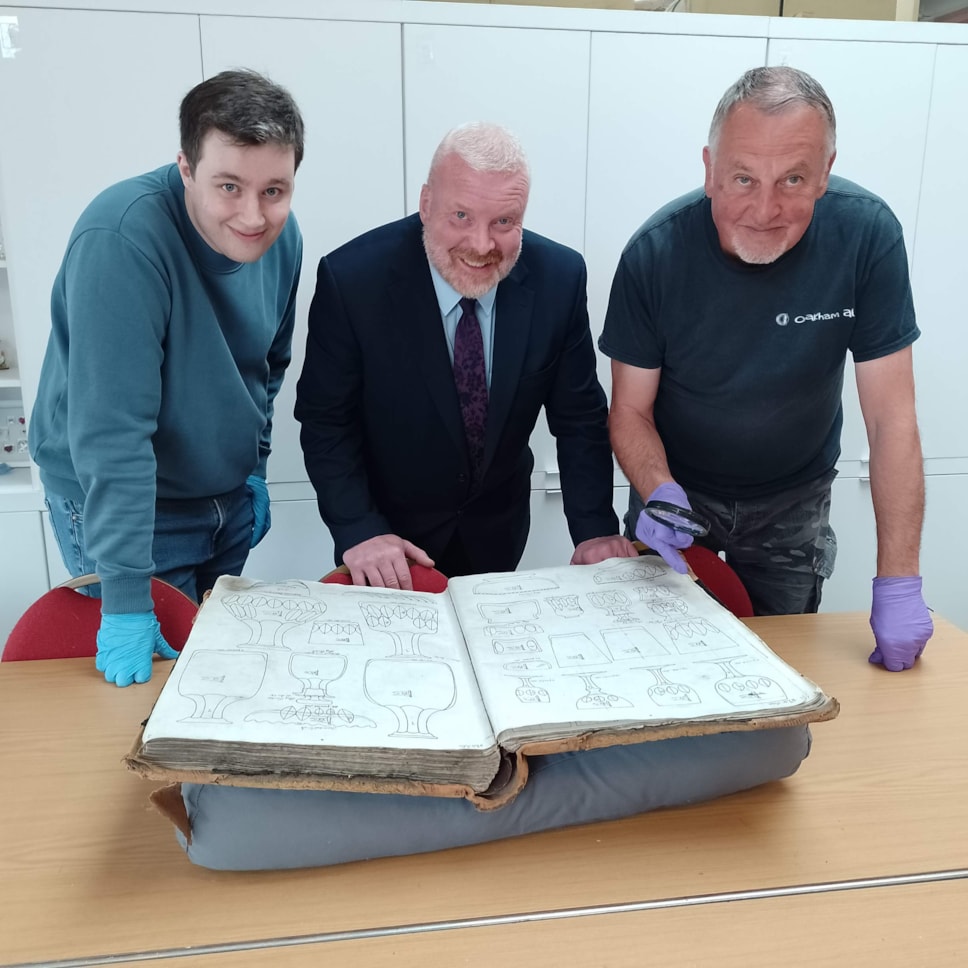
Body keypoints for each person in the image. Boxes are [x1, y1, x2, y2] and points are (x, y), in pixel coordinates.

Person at [599, 66, 933, 672]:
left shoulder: (867, 237)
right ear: (709, 168)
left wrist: (900, 581)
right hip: (678, 495)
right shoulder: (655, 255)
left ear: (826, 173)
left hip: (793, 502)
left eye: (794, 179)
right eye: (744, 177)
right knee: (659, 668)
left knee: (779, 672)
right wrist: (658, 493)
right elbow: (629, 409)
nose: (765, 208)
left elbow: (891, 420)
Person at [29, 69, 305, 687]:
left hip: (223, 497)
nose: (253, 216)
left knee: (215, 683)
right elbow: (112, 433)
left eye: (274, 190)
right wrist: (125, 600)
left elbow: (267, 367)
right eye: (228, 186)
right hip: (131, 505)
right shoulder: (123, 237)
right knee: (150, 697)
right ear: (185, 167)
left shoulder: (283, 242)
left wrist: (253, 470)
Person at [295, 121, 635, 589]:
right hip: (387, 543)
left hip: (497, 533)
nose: (481, 246)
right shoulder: (353, 280)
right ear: (426, 203)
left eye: (504, 222)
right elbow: (325, 420)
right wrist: (359, 528)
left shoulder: (560, 279)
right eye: (461, 216)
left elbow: (579, 419)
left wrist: (595, 528)